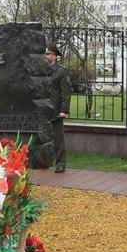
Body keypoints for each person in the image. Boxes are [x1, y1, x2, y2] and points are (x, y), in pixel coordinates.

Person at [45, 44, 72, 173]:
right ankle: (42, 161)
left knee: (57, 139)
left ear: (55, 56)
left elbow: (65, 92)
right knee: (42, 138)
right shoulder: (40, 70)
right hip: (42, 109)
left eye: (49, 54)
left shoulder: (61, 71)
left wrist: (63, 110)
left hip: (55, 109)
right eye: (45, 54)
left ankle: (60, 162)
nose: (46, 56)